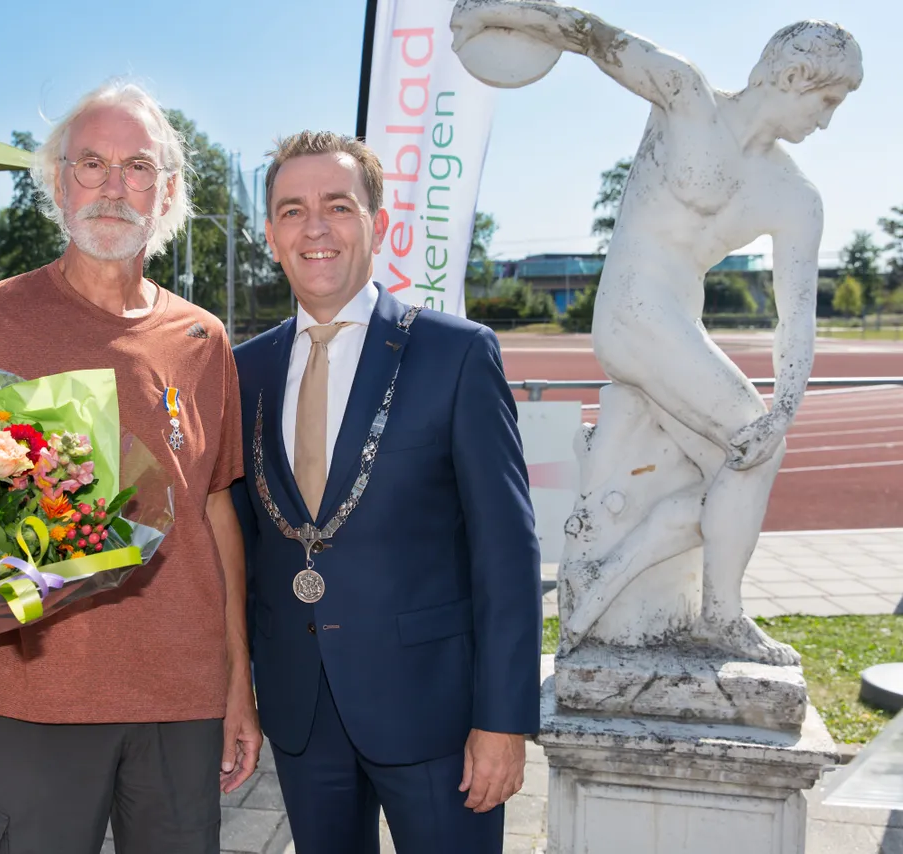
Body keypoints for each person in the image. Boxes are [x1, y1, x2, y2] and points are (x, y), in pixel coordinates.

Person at [0, 80, 262, 854]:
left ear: (166, 192)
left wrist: (239, 680)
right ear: (58, 182)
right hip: (40, 693)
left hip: (181, 695)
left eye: (136, 166)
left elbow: (215, 512)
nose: (112, 185)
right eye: (91, 163)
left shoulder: (203, 340)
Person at [451, 2, 863, 664]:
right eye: (828, 98)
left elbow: (798, 312)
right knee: (743, 436)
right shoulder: (686, 95)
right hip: (634, 310)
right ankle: (721, 617)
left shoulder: (795, 195)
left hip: (678, 319)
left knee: (743, 461)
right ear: (793, 76)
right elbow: (589, 36)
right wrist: (495, 11)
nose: (827, 119)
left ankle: (609, 573)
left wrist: (787, 406)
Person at [231, 131, 542, 853]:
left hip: (435, 713)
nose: (315, 228)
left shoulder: (456, 353)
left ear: (379, 223)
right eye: (291, 210)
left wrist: (503, 720)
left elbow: (506, 550)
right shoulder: (243, 369)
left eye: (338, 206)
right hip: (301, 711)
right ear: (271, 235)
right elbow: (240, 546)